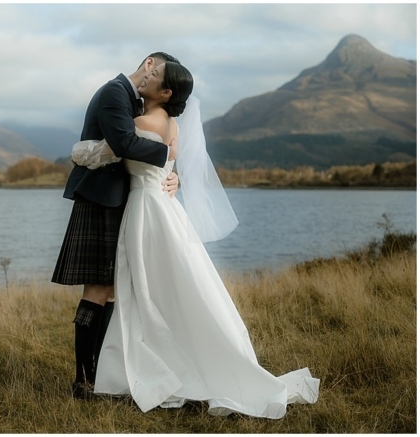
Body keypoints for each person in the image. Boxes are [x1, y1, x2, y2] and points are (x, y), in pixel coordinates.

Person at [73, 62, 320, 418]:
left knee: (144, 288)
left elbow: (107, 150)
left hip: (147, 212)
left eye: (154, 77)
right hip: (163, 209)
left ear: (166, 93)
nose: (146, 76)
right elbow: (170, 166)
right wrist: (177, 179)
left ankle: (132, 369)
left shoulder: (143, 124)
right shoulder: (172, 124)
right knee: (169, 287)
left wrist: (77, 151)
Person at [53, 53, 180, 398]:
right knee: (96, 290)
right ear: (149, 63)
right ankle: (83, 380)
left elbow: (127, 147)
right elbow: (123, 144)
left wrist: (170, 175)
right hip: (101, 201)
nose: (157, 82)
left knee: (110, 292)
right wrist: (165, 159)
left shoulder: (135, 101)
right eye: (160, 73)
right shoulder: (114, 92)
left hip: (121, 200)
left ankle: (100, 373)